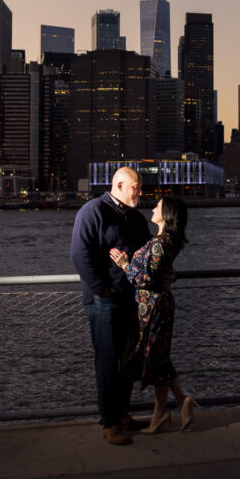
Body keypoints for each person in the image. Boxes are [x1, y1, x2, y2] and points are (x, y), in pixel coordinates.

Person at [70, 166, 152, 445]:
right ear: (118, 186)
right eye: (135, 188)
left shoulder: (136, 218)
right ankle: (110, 422)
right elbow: (79, 254)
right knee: (108, 361)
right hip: (105, 299)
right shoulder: (93, 211)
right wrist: (100, 290)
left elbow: (146, 253)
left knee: (128, 359)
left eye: (140, 187)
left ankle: (122, 415)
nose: (140, 192)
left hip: (131, 297)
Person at [109, 196, 198, 433]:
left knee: (154, 357)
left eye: (157, 206)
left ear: (166, 213)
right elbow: (160, 271)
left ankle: (164, 412)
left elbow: (145, 278)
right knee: (159, 355)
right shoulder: (165, 240)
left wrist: (124, 265)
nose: (153, 208)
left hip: (153, 307)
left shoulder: (160, 243)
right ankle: (179, 402)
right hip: (154, 305)